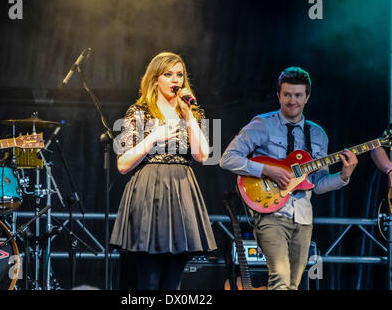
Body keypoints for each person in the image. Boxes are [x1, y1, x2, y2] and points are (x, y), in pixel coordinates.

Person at [219, 66, 358, 290]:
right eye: (287, 95)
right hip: (270, 213)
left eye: (298, 95)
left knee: (292, 285)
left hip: (303, 217)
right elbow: (227, 159)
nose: (292, 100)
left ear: (307, 97)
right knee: (280, 279)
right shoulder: (262, 124)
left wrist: (344, 175)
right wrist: (267, 170)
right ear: (279, 95)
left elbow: (319, 184)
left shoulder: (318, 134)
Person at [110, 52, 217, 290]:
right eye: (168, 74)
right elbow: (123, 164)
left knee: (173, 282)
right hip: (149, 190)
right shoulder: (139, 111)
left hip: (181, 191)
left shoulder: (192, 112)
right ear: (155, 79)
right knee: (149, 279)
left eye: (179, 74)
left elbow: (203, 155)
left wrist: (189, 115)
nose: (175, 80)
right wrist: (152, 138)